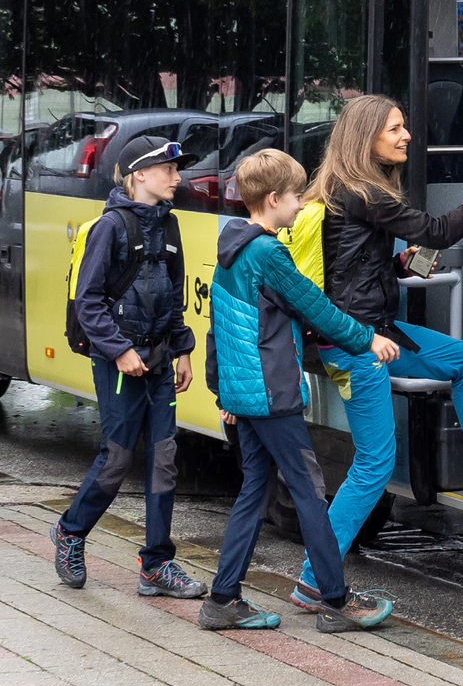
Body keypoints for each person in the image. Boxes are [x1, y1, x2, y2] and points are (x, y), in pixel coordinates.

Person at [290, 94, 463, 612]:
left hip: (380, 334)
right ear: (365, 137)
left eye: (404, 126)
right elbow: (440, 231)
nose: (406, 134)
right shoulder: (364, 192)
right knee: (373, 466)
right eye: (395, 128)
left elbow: (347, 272)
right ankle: (313, 578)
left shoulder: (346, 193)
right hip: (359, 346)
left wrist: (398, 266)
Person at [201, 148, 399, 632]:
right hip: (272, 394)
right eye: (295, 197)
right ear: (272, 199)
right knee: (310, 491)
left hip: (246, 394)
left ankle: (222, 599)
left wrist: (222, 390)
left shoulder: (232, 248)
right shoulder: (268, 253)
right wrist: (367, 338)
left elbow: (218, 328)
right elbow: (317, 307)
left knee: (254, 489)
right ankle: (335, 600)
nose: (301, 206)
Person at [51, 136, 207, 600]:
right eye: (169, 170)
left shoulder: (171, 226)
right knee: (117, 458)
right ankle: (70, 532)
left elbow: (173, 297)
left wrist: (182, 349)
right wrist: (119, 349)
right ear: (139, 173)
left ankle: (157, 564)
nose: (178, 178)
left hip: (159, 359)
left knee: (164, 459)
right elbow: (89, 302)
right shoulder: (110, 227)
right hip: (120, 361)